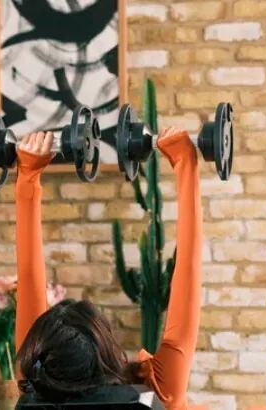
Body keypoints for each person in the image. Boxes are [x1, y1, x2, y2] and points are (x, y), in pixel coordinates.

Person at [13, 127, 202, 410]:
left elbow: (27, 277)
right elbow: (189, 272)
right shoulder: (159, 393)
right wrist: (185, 163)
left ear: (40, 356)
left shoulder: (35, 398)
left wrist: (28, 175)